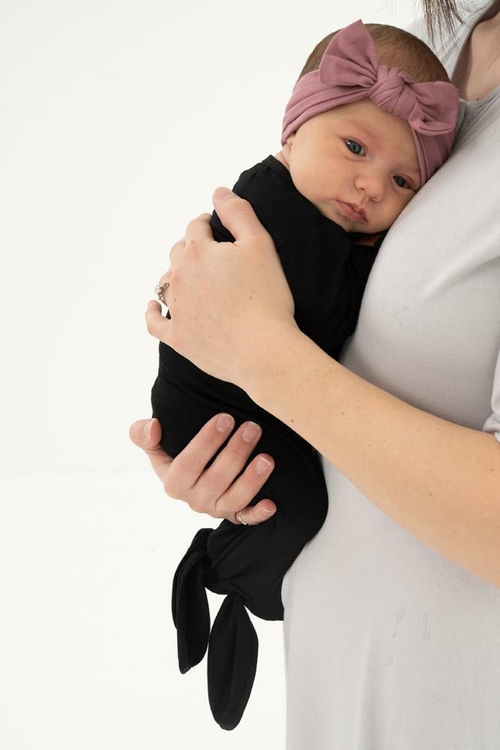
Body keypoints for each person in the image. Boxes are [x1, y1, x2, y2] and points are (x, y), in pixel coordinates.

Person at [130, 0, 500, 747]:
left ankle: (221, 583)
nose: (372, 187)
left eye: (402, 181)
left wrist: (260, 357)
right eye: (354, 149)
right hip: (341, 673)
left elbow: (287, 349)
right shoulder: (432, 49)